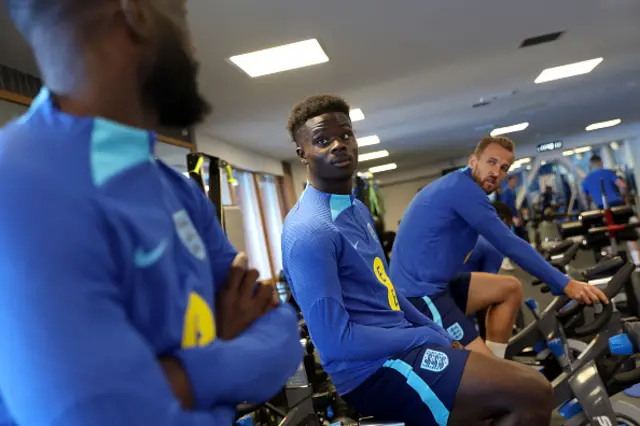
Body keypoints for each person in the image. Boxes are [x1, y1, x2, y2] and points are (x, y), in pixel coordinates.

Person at [0, 1, 302, 425]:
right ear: (136, 13)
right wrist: (223, 355)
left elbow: (283, 338)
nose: (195, 47)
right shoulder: (18, 186)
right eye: (181, 15)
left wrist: (177, 377)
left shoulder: (174, 188)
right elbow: (94, 417)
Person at [282, 94, 553, 426]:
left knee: (507, 395)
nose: (338, 145)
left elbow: (388, 293)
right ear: (302, 153)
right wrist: (422, 337)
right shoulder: (309, 230)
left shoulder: (356, 210)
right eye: (322, 141)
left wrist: (434, 329)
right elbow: (337, 344)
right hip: (372, 371)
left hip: (400, 349)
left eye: (346, 135)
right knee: (533, 391)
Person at [390, 136, 608, 359]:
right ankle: (492, 374)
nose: (496, 172)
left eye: (504, 168)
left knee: (510, 288)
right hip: (418, 296)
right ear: (473, 161)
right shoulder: (463, 189)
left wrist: (558, 283)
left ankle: (497, 362)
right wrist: (566, 284)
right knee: (485, 376)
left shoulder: (461, 186)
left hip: (440, 285)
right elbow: (510, 244)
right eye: (491, 162)